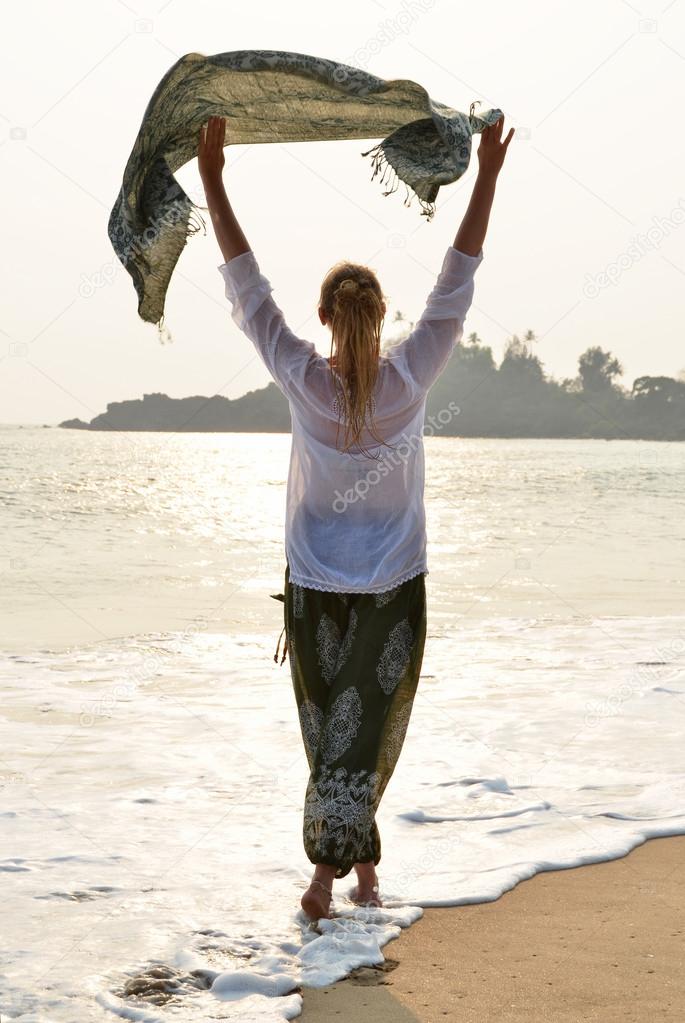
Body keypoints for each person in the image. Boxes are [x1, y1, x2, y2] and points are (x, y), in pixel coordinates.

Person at [198, 114, 513, 921]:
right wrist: (484, 176)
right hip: (390, 584)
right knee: (361, 731)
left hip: (314, 582)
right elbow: (458, 276)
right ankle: (361, 873)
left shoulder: (303, 376)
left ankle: (320, 880)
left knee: (330, 734)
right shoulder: (410, 374)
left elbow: (244, 283)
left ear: (327, 316)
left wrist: (212, 180)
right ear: (378, 313)